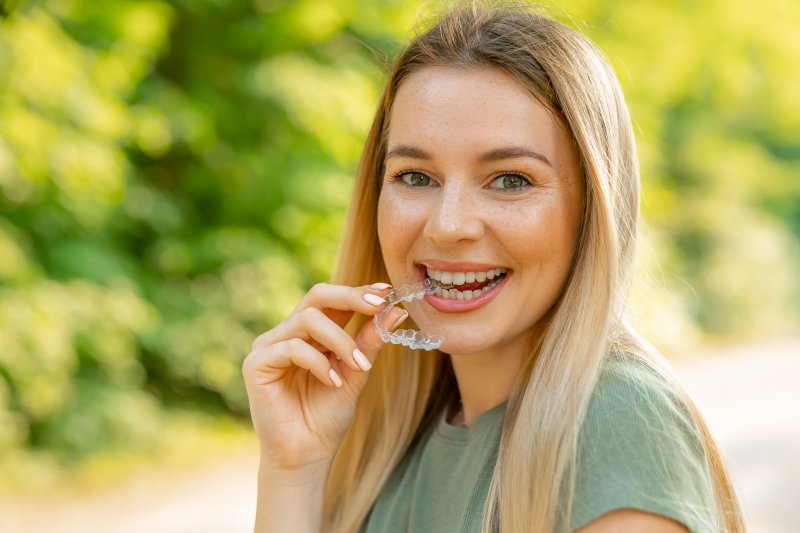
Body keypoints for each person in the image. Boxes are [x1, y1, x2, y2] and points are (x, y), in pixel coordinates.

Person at [242, 2, 746, 532]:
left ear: (592, 209)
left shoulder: (617, 424)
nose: (447, 225)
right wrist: (293, 469)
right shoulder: (393, 443)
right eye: (415, 176)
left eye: (510, 180)